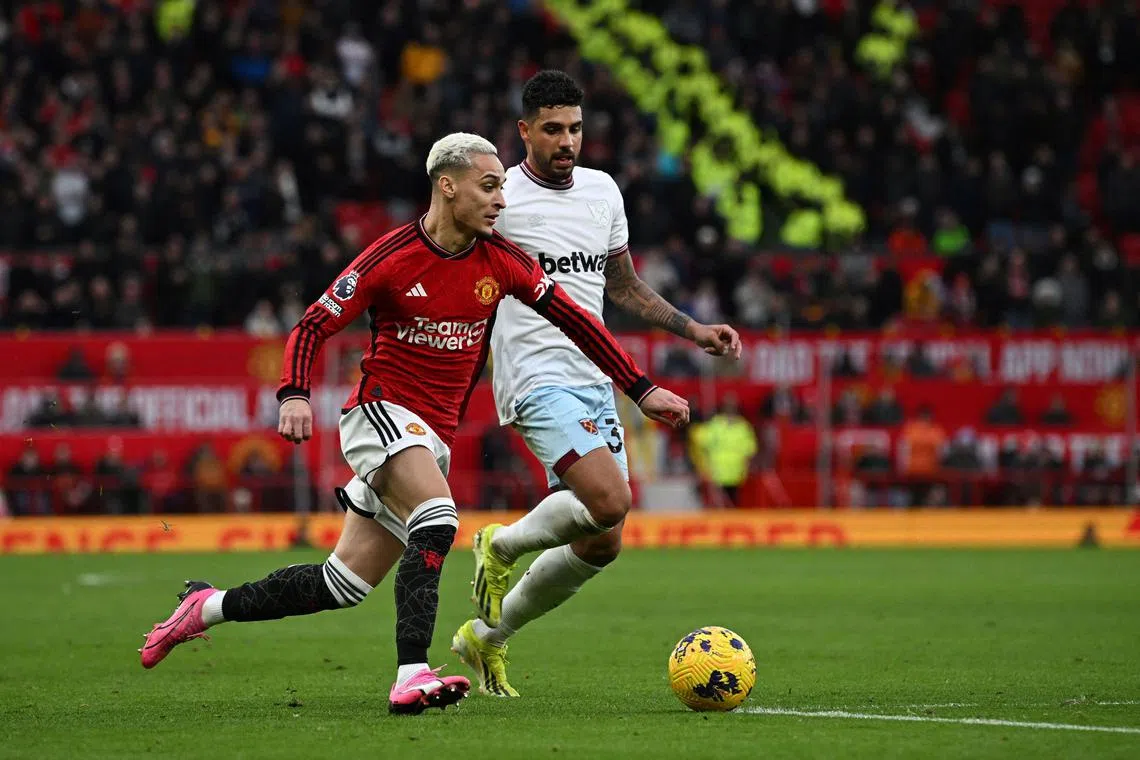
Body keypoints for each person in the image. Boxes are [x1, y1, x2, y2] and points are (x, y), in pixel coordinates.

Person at [138, 132, 689, 715]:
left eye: (503, 186)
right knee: (439, 515)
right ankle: (412, 672)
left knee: (341, 585)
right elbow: (312, 325)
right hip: (380, 414)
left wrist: (641, 388)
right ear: (447, 187)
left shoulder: (503, 262)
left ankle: (204, 607)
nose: (502, 200)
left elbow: (579, 322)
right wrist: (294, 393)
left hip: (429, 438)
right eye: (490, 185)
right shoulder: (392, 257)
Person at [452, 71, 740, 697]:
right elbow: (467, 286)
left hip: (594, 373)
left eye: (576, 129)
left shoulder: (603, 191)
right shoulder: (499, 200)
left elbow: (623, 286)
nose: (567, 141)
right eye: (552, 129)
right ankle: (500, 544)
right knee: (610, 500)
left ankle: (488, 636)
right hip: (533, 372)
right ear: (524, 131)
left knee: (603, 541)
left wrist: (693, 330)